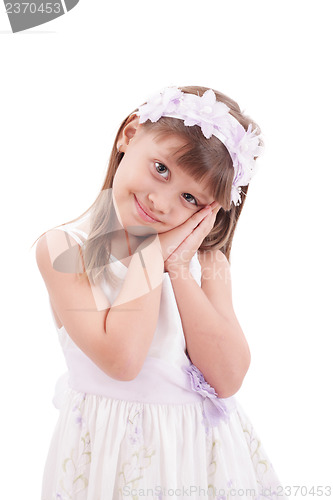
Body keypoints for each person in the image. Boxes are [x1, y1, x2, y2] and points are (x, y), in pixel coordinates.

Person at [34, 86, 286, 500]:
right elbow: (123, 359)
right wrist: (151, 256)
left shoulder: (207, 266)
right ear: (129, 136)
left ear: (209, 211)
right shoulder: (65, 250)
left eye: (190, 197)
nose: (161, 201)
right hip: (107, 454)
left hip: (198, 454)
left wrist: (178, 268)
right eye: (161, 169)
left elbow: (227, 378)